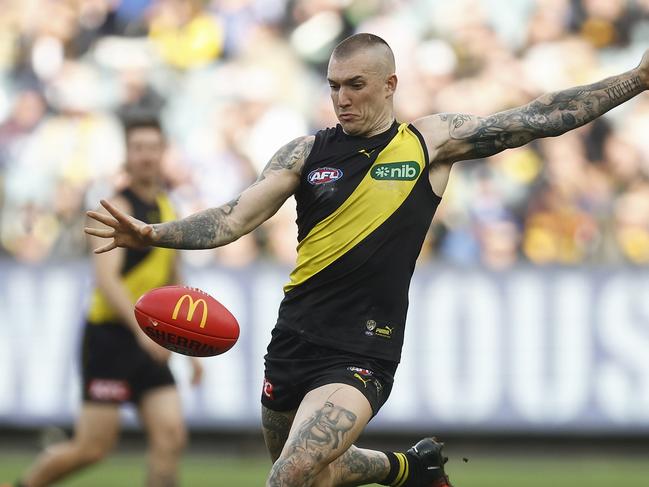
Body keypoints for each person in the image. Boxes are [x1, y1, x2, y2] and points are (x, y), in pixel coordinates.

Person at [84, 34, 649, 487]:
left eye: (356, 85)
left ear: (390, 84)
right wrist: (152, 233)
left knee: (289, 477)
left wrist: (635, 79)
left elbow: (540, 115)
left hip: (362, 351)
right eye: (334, 87)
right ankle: (410, 469)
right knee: (319, 472)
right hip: (292, 342)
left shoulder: (429, 143)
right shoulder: (304, 153)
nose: (343, 99)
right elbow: (234, 217)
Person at [12, 117, 203, 487]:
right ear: (127, 156)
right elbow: (106, 280)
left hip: (148, 339)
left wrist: (189, 345)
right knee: (92, 447)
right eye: (138, 148)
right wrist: (143, 333)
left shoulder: (168, 208)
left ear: (162, 153)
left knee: (171, 435)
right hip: (111, 338)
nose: (146, 156)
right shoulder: (115, 208)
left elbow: (175, 280)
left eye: (152, 148)